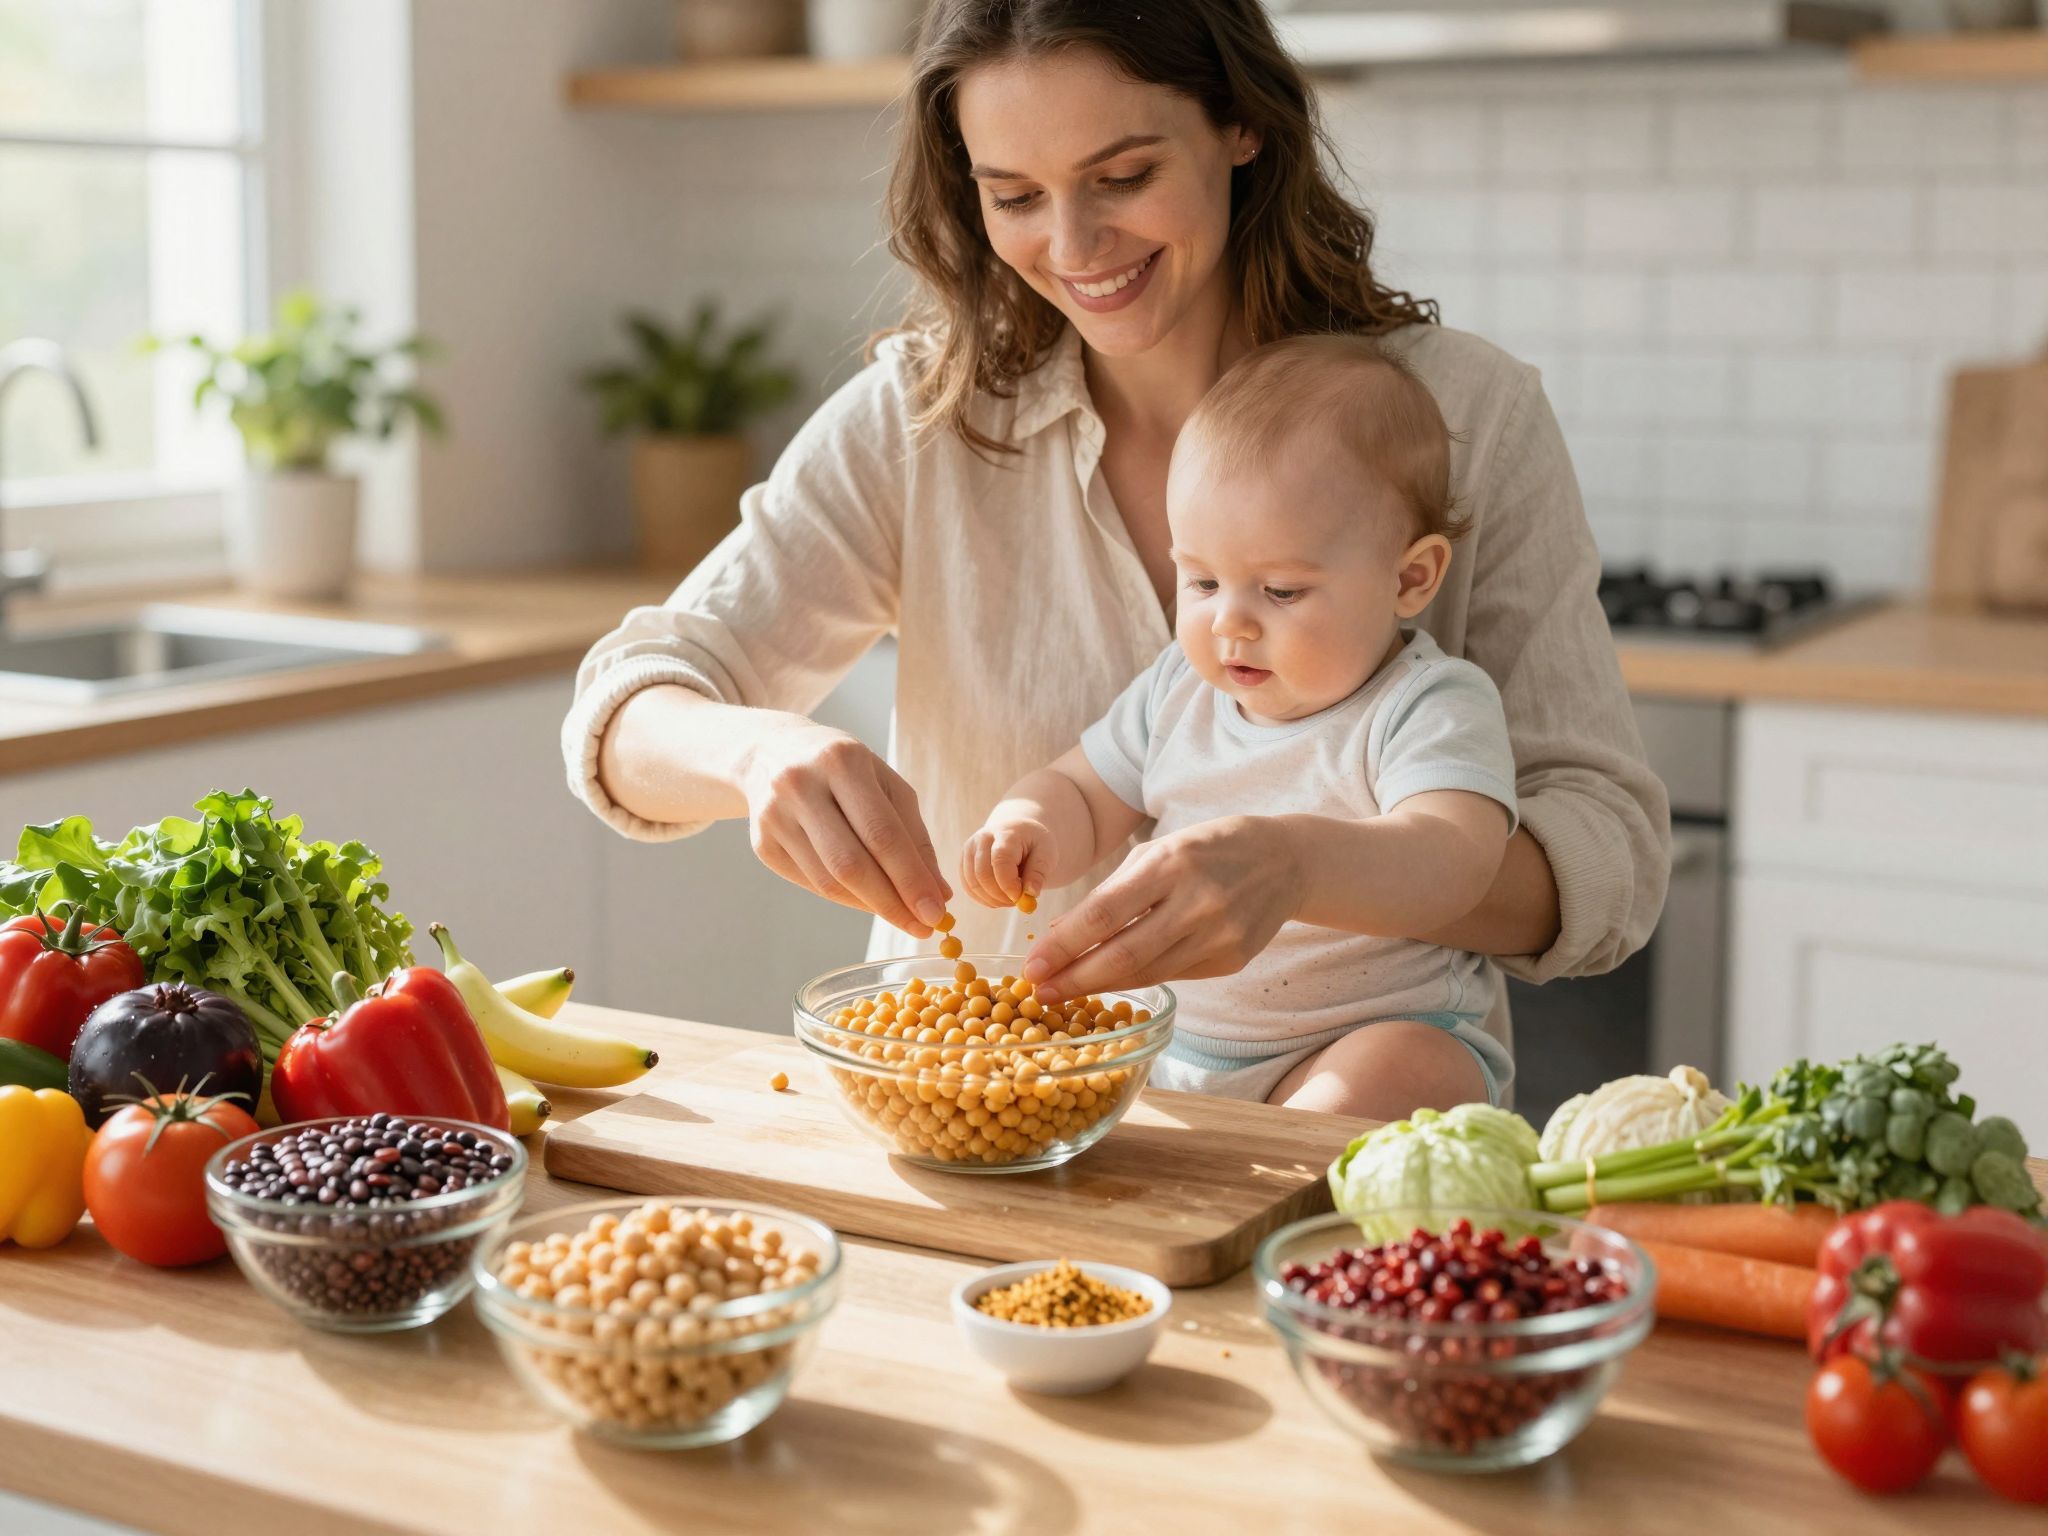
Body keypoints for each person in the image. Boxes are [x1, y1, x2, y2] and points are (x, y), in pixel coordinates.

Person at [563, 0, 1671, 1112]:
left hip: (1344, 1116)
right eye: (1014, 197)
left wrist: (1303, 873)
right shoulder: (922, 418)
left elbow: (1606, 858)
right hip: (985, 1105)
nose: (1075, 247)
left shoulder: (1462, 415)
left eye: (1123, 177)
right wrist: (755, 757)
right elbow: (628, 707)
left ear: (1239, 125)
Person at [961, 335, 1518, 1116]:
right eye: (1203, 580)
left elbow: (1454, 861)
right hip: (1171, 1051)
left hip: (1358, 1039)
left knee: (1408, 1069)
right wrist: (1028, 822)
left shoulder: (1426, 705)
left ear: (1410, 578)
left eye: (1282, 591)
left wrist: (1295, 860)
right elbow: (1082, 792)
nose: (1231, 624)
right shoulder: (1178, 690)